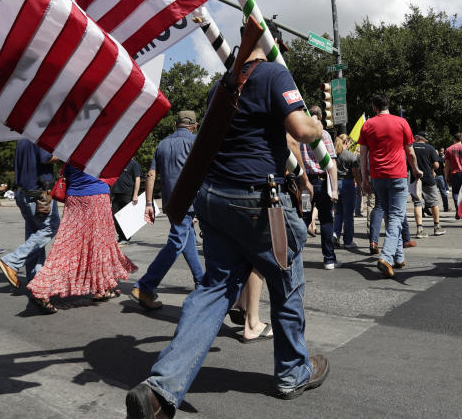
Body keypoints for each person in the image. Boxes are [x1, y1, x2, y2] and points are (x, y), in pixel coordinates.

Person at [125, 45, 329, 417]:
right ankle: (292, 372)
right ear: (272, 48)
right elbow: (300, 129)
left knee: (213, 290)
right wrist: (319, 123)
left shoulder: (221, 85)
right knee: (286, 283)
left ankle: (159, 390)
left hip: (215, 198)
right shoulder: (273, 74)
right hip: (259, 201)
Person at [26, 164, 137, 313]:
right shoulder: (105, 150)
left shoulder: (73, 149)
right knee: (100, 246)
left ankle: (100, 288)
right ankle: (43, 289)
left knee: (66, 247)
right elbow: (112, 177)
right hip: (97, 198)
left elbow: (66, 175)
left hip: (74, 199)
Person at [130, 110, 205, 310]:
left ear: (175, 124)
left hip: (169, 203)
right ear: (194, 125)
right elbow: (202, 174)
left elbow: (151, 174)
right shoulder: (195, 142)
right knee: (176, 243)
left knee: (186, 240)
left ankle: (201, 282)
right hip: (187, 202)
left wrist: (148, 203)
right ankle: (145, 286)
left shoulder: (162, 144)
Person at [359, 94, 421, 279]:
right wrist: (416, 170)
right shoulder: (401, 122)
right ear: (388, 106)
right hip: (398, 175)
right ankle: (386, 257)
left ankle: (399, 257)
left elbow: (363, 155)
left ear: (374, 107)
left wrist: (364, 179)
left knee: (390, 215)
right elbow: (410, 152)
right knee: (396, 217)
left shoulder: (367, 125)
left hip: (378, 177)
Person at [0, 139, 60, 291]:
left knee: (34, 236)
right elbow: (46, 157)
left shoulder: (23, 138)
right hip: (38, 193)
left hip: (24, 193)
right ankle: (12, 261)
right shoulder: (41, 135)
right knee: (50, 227)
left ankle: (35, 281)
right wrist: (68, 155)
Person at [299, 105, 339, 270]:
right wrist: (335, 189)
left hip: (305, 184)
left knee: (303, 220)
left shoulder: (300, 133)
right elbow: (332, 163)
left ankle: (294, 256)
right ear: (321, 117)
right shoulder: (323, 134)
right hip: (323, 183)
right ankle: (329, 259)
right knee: (326, 220)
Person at [412, 132, 446, 237]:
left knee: (417, 203)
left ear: (417, 138)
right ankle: (436, 227)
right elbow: (436, 165)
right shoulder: (430, 148)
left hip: (415, 178)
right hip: (428, 178)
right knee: (434, 203)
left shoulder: (411, 147)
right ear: (425, 139)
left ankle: (420, 229)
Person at [332, 134, 361, 251]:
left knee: (338, 213)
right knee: (348, 215)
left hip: (335, 184)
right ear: (346, 142)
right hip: (347, 184)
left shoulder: (334, 154)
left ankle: (335, 234)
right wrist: (359, 186)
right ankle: (348, 241)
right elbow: (356, 174)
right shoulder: (350, 156)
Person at [111, 158, 142, 243]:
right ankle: (121, 236)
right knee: (115, 217)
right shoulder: (118, 163)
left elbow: (137, 179)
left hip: (128, 194)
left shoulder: (134, 163)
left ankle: (125, 238)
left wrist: (135, 195)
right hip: (116, 194)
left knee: (125, 218)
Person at [444, 133, 462, 219]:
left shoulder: (449, 149)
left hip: (455, 173)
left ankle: (458, 209)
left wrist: (446, 176)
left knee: (455, 192)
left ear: (454, 139)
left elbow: (447, 165)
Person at [434, 147, 450, 213]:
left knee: (433, 193)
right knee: (443, 192)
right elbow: (444, 169)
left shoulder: (432, 159)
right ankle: (446, 207)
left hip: (433, 177)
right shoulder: (441, 159)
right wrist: (446, 177)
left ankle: (433, 208)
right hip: (440, 177)